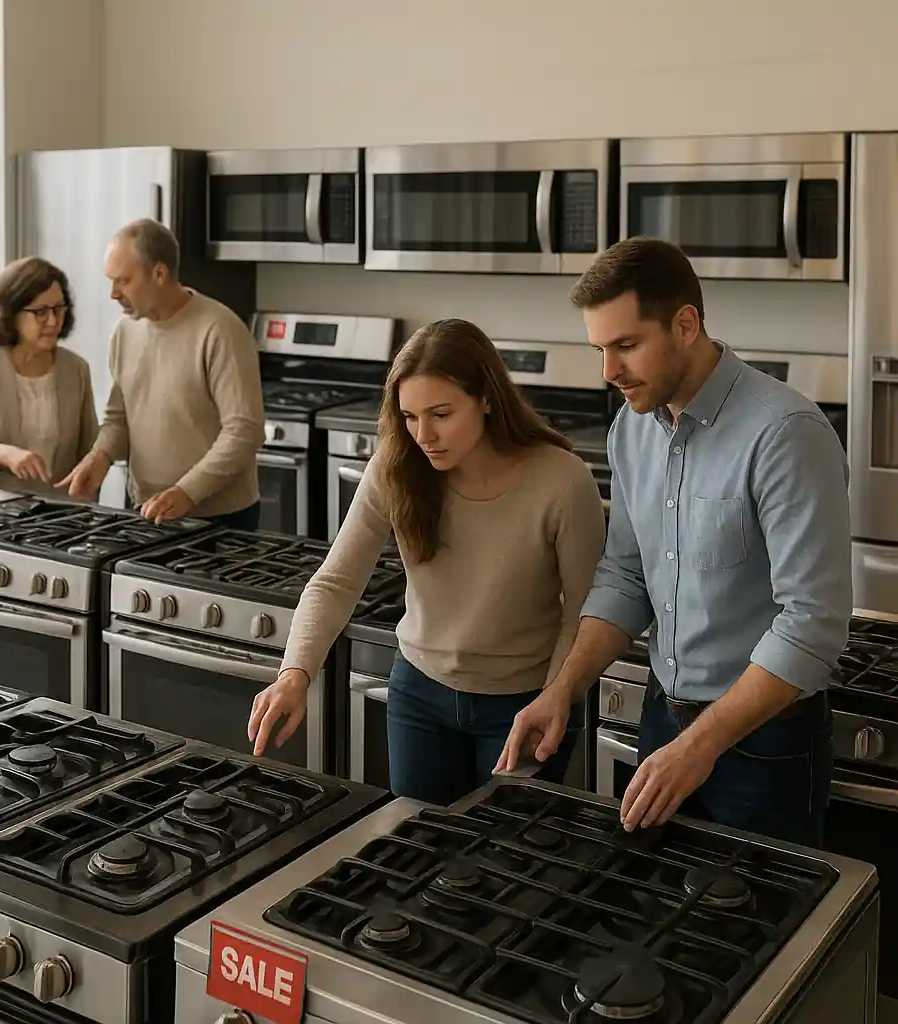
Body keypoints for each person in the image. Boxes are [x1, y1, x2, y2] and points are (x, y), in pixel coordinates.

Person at [496, 237, 850, 848]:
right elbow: (626, 576)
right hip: (664, 722)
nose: (609, 372)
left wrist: (701, 745)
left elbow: (812, 624)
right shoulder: (631, 430)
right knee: (652, 926)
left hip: (764, 745)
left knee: (758, 936)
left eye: (626, 345)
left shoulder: (785, 434)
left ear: (686, 324)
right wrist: (562, 690)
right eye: (601, 349)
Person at [248, 318, 606, 805]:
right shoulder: (396, 467)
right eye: (410, 417)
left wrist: (557, 694)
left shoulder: (562, 480)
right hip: (420, 697)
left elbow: (582, 611)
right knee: (417, 851)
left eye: (440, 414)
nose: (423, 435)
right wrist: (295, 673)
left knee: (505, 861)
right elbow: (334, 582)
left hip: (524, 705)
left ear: (485, 398)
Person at [58, 218, 265, 525]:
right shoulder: (124, 332)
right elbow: (119, 417)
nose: (113, 293)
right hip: (146, 509)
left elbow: (244, 432)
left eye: (123, 281)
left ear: (159, 274)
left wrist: (187, 492)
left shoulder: (220, 330)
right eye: (110, 281)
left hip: (219, 516)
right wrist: (100, 456)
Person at [0, 256, 98, 494]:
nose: (53, 321)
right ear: (11, 313)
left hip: (58, 516)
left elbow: (90, 453)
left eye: (58, 309)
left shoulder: (76, 369)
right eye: (41, 312)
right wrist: (5, 455)